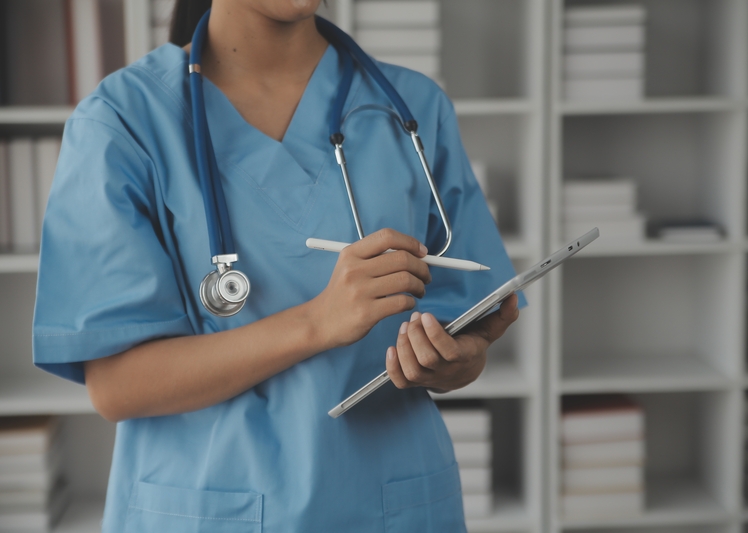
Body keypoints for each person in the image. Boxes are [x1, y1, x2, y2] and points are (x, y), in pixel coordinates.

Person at [32, 0, 522, 531]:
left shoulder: (411, 107)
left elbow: (461, 329)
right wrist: (317, 322)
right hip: (209, 507)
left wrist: (455, 361)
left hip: (394, 502)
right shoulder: (124, 120)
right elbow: (116, 385)